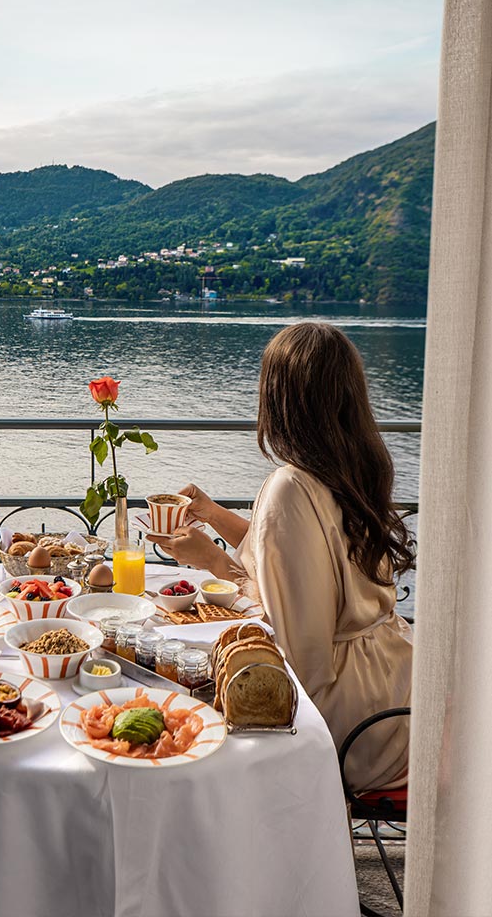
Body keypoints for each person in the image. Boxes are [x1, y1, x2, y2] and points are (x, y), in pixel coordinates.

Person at [149, 322, 413, 791]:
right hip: (395, 678)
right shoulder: (350, 465)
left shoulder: (291, 486)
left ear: (279, 397)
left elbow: (291, 645)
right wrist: (215, 516)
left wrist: (212, 560)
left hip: (352, 718)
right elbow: (301, 565)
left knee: (181, 717)